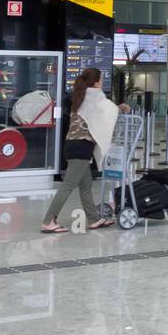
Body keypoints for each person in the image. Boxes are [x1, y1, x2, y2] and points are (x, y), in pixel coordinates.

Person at [43, 67, 131, 233]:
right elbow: (108, 111)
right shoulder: (94, 95)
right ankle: (49, 221)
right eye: (101, 78)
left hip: (72, 145)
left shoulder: (81, 95)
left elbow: (100, 112)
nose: (102, 81)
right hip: (81, 147)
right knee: (68, 186)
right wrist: (122, 109)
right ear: (96, 81)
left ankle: (94, 219)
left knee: (86, 184)